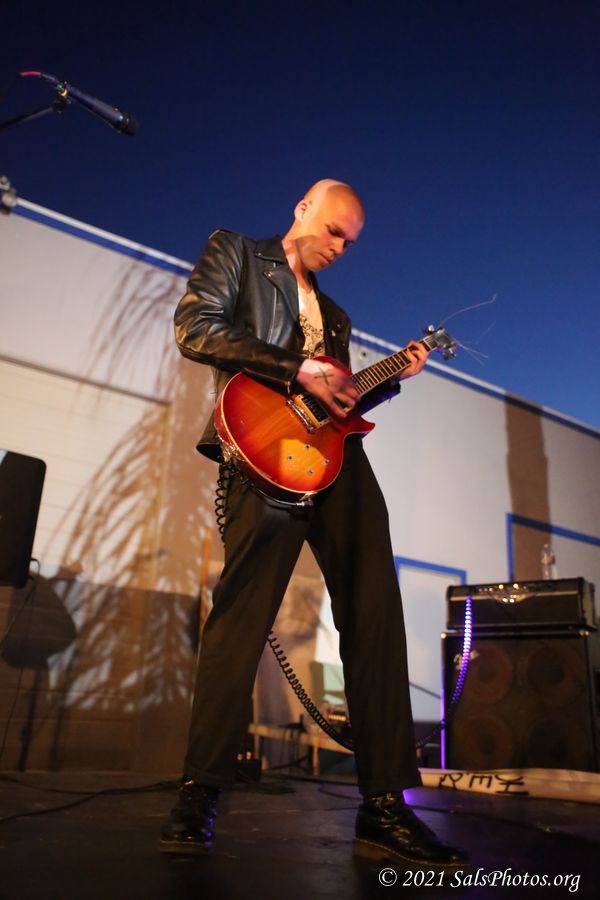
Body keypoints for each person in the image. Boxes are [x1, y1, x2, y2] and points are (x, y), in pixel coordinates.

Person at [160, 180, 468, 871]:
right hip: (260, 451)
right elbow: (195, 328)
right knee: (241, 619)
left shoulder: (336, 315)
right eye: (333, 231)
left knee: (376, 612)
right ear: (303, 208)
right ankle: (198, 792)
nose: (339, 248)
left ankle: (383, 807)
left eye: (350, 244)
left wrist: (392, 376)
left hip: (336, 462)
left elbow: (338, 403)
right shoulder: (237, 253)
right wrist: (296, 366)